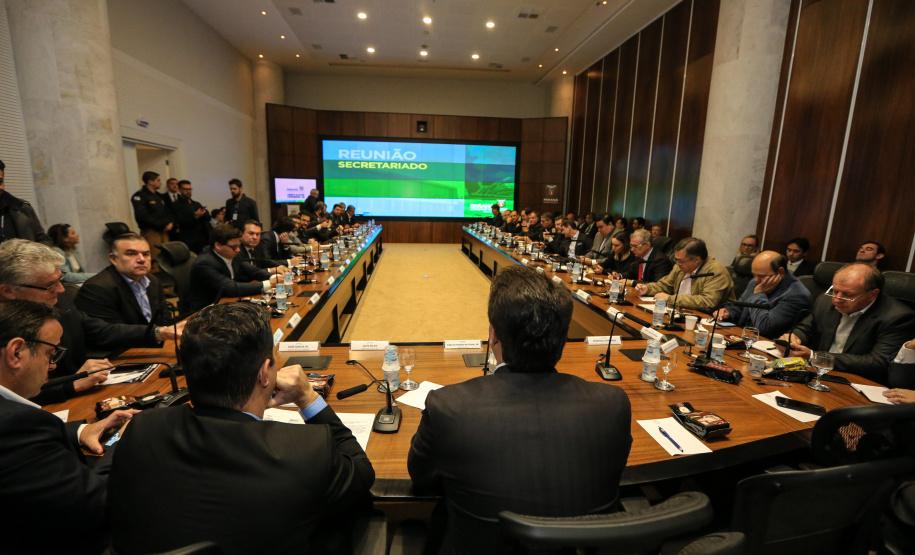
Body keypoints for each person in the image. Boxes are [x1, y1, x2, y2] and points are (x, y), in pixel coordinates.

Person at [107, 302, 374, 553]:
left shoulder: (141, 428)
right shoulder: (305, 451)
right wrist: (308, 397)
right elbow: (361, 474)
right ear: (264, 372)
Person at [407, 265, 632, 555]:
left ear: (494, 336)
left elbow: (422, 479)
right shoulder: (612, 404)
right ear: (563, 337)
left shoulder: (449, 407)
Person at [0, 299, 138, 555]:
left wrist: (79, 431)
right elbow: (96, 506)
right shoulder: (16, 426)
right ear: (16, 352)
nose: (52, 366)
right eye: (50, 354)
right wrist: (120, 445)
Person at [0, 240, 180, 405]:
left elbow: (99, 330)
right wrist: (71, 383)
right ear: (8, 291)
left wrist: (160, 332)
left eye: (60, 279)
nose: (61, 289)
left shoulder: (58, 300)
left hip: (86, 395)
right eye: (50, 285)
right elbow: (9, 394)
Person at [779, 263, 915, 385]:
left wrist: (815, 356)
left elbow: (877, 363)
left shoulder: (898, 317)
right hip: (817, 375)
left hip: (857, 382)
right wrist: (794, 338)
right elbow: (806, 328)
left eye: (847, 294)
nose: (837, 299)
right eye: (835, 290)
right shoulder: (825, 301)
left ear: (873, 294)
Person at [75, 233, 186, 337]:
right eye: (131, 254)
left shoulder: (153, 281)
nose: (141, 260)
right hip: (121, 351)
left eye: (146, 254)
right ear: (114, 259)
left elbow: (164, 320)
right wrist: (159, 333)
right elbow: (111, 333)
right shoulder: (96, 288)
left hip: (154, 343)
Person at [713, 251, 812, 338]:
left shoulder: (797, 295)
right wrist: (727, 312)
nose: (756, 280)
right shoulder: (756, 282)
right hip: (740, 336)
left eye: (761, 276)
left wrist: (759, 294)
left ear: (780, 272)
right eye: (754, 275)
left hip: (767, 346)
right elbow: (740, 307)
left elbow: (763, 327)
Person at [186, 224, 279, 312]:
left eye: (238, 245)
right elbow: (230, 287)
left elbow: (251, 270)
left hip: (229, 302)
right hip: (207, 309)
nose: (238, 250)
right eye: (234, 247)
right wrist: (268, 284)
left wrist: (273, 277)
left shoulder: (231, 254)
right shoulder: (205, 263)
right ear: (218, 245)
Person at [635, 237, 735, 312]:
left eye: (680, 261)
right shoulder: (680, 267)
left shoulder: (715, 271)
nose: (677, 264)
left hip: (708, 320)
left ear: (696, 260)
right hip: (680, 312)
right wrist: (647, 288)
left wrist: (670, 299)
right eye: (676, 260)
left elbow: (707, 302)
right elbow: (665, 285)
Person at [0, 158, 52, 246]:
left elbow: (43, 239)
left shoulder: (21, 208)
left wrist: (34, 256)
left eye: (0, 181)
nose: (0, 187)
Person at [130, 171, 174, 261]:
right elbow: (142, 216)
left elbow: (167, 211)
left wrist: (170, 223)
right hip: (151, 232)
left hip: (164, 231)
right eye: (158, 180)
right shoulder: (139, 196)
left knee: (166, 258)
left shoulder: (158, 196)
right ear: (150, 182)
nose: (160, 182)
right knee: (154, 258)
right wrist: (163, 225)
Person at [170, 180, 209, 253]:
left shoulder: (196, 204)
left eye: (190, 189)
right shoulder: (176, 205)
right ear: (179, 190)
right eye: (186, 189)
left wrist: (202, 213)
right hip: (187, 239)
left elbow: (208, 217)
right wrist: (195, 217)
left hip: (201, 238)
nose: (188, 191)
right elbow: (181, 221)